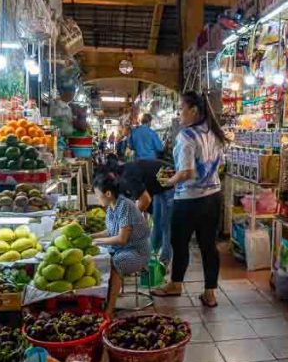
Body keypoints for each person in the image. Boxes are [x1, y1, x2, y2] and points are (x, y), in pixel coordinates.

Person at [151, 91, 226, 307]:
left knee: (179, 243)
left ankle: (175, 285)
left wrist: (168, 182)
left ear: (194, 110)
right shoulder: (214, 133)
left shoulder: (186, 136)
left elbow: (186, 173)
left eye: (181, 108)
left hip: (189, 199)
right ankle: (210, 293)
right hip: (213, 198)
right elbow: (217, 165)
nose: (178, 113)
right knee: (208, 246)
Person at [89, 174, 152, 317]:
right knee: (95, 257)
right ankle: (102, 300)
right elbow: (110, 231)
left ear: (108, 193)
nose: (97, 199)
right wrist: (90, 237)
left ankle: (109, 310)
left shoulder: (125, 206)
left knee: (115, 263)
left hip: (137, 252)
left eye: (98, 195)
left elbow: (122, 239)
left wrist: (97, 242)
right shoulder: (112, 207)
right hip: (122, 248)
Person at [119, 159, 174, 266]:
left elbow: (145, 200)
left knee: (166, 225)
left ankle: (164, 261)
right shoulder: (123, 177)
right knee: (157, 222)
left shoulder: (127, 176)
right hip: (158, 183)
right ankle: (150, 257)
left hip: (169, 180)